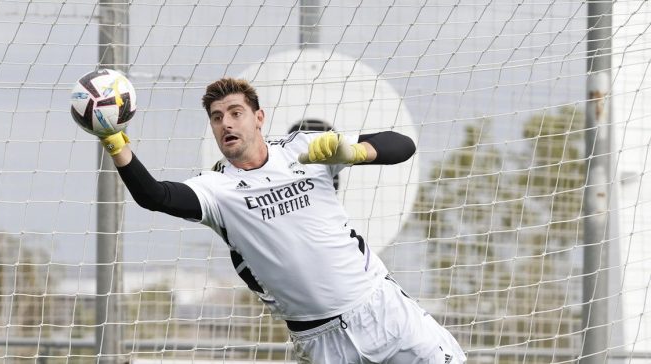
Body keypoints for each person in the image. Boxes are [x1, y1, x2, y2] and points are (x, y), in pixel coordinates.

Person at [96, 78, 466, 363]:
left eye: (236, 112)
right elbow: (154, 195)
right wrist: (115, 140)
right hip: (321, 341)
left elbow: (402, 145)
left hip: (382, 310)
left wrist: (354, 151)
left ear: (259, 118)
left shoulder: (303, 149)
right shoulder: (216, 189)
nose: (226, 123)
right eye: (217, 117)